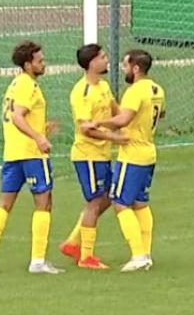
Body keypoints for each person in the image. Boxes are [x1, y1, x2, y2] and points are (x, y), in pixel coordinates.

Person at [0, 40, 63, 274]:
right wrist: (39, 137)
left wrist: (41, 128)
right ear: (28, 65)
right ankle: (37, 261)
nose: (43, 64)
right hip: (32, 154)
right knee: (44, 202)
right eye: (39, 61)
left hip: (13, 153)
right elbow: (17, 117)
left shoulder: (14, 84)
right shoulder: (28, 85)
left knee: (4, 203)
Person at [89, 50, 165, 273]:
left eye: (125, 65)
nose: (123, 69)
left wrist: (97, 123)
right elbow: (161, 114)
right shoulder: (157, 89)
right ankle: (146, 254)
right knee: (140, 203)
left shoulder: (135, 91)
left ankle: (138, 255)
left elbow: (122, 120)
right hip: (149, 152)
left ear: (136, 68)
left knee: (120, 203)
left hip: (132, 155)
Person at [58, 44, 127, 270]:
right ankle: (86, 256)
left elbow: (117, 112)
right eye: (102, 57)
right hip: (87, 155)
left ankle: (73, 242)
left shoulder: (104, 86)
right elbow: (85, 129)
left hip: (102, 154)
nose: (107, 60)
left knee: (109, 196)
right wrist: (113, 137)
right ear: (91, 63)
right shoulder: (82, 92)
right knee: (95, 202)